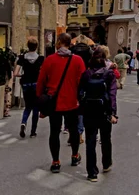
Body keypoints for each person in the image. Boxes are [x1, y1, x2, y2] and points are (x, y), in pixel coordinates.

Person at [36, 33, 86, 173]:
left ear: (58, 43)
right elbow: (82, 81)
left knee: (54, 131)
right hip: (71, 102)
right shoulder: (78, 60)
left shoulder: (50, 60)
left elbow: (41, 82)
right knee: (74, 130)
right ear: (70, 44)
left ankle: (56, 162)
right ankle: (75, 156)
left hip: (54, 102)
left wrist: (40, 99)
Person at [79, 48, 118, 182]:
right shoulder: (109, 74)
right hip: (104, 111)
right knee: (106, 138)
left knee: (90, 140)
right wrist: (113, 113)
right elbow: (112, 95)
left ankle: (92, 172)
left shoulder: (86, 74)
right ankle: (106, 163)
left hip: (89, 111)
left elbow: (80, 93)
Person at [14, 37, 44, 138]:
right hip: (36, 84)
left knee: (27, 107)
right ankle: (33, 132)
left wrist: (22, 76)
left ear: (28, 46)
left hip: (26, 84)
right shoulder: (40, 59)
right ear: (37, 47)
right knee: (36, 108)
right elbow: (43, 73)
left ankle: (23, 123)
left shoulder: (22, 58)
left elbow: (15, 73)